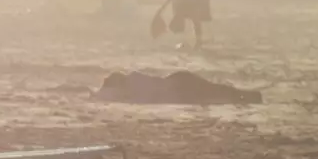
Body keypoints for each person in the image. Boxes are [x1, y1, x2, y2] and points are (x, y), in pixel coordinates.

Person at [93, 70, 261, 105]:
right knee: (214, 90)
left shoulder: (134, 84)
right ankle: (250, 96)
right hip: (178, 81)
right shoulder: (134, 79)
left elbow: (147, 97)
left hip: (179, 86)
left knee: (213, 91)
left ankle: (249, 97)